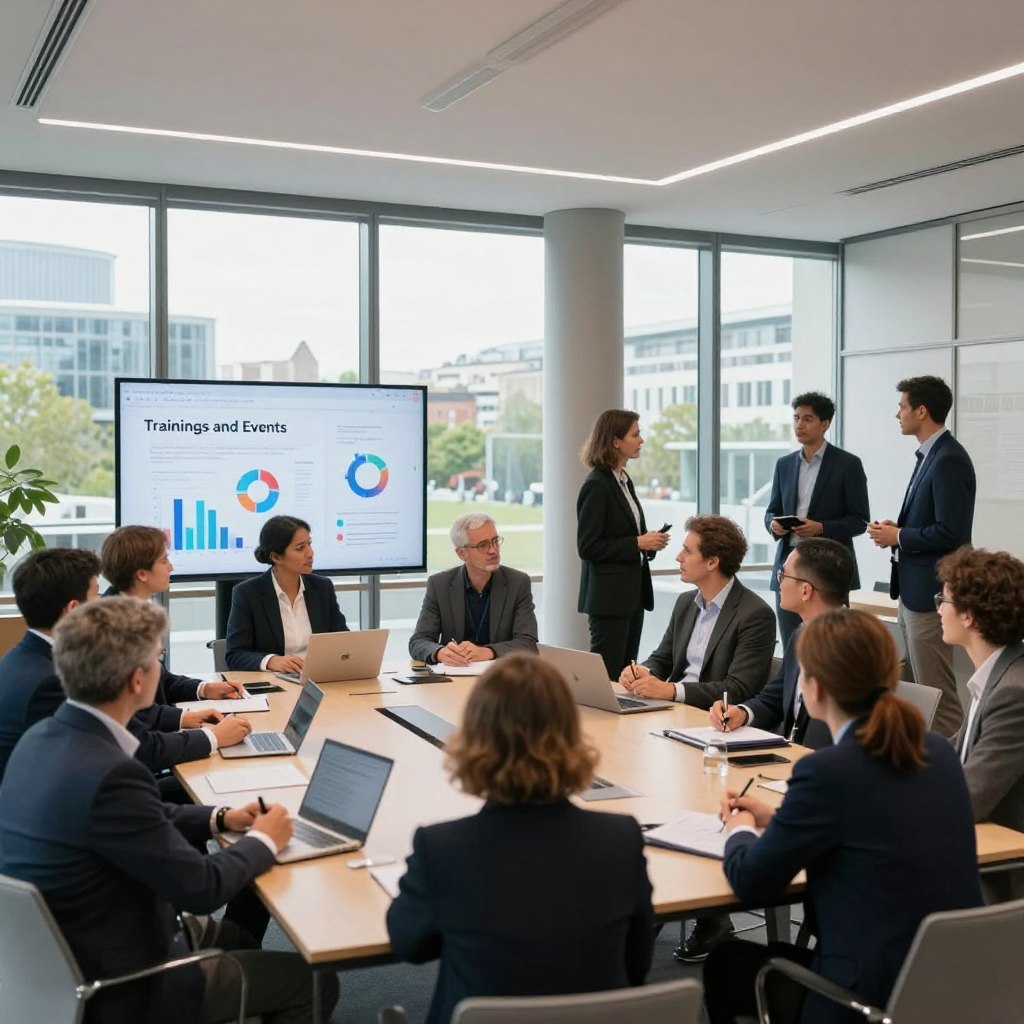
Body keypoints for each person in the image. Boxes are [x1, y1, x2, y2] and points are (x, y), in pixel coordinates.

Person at [0, 598, 337, 1024]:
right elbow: (202, 887)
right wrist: (265, 839)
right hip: (129, 981)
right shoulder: (112, 772)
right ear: (137, 680)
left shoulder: (45, 736)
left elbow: (131, 822)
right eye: (158, 657)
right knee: (315, 982)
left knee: (239, 934)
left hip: (71, 947)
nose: (161, 664)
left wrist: (220, 818)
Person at [704, 609, 982, 1024]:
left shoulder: (827, 771)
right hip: (950, 984)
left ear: (813, 688)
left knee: (726, 964)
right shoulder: (936, 750)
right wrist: (781, 816)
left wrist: (739, 829)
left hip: (866, 998)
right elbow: (871, 818)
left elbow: (752, 880)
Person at [387, 654, 654, 1024]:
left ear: (476, 739)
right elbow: (637, 966)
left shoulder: (443, 850)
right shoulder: (621, 840)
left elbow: (408, 944)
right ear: (570, 734)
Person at [0, 549, 250, 786]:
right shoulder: (52, 679)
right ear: (74, 610)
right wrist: (214, 738)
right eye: (96, 595)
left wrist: (185, 718)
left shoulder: (27, 658)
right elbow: (133, 746)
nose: (104, 603)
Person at [867, 375, 975, 736]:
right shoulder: (930, 455)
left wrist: (899, 536)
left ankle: (958, 777)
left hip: (931, 594)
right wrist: (897, 531)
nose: (897, 414)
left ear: (922, 411)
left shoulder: (948, 460)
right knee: (911, 686)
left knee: (937, 695)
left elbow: (951, 532)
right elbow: (931, 521)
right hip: (913, 592)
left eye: (902, 407)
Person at [937, 546, 1024, 900]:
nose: (938, 609)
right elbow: (951, 753)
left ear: (969, 616)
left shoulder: (1013, 692)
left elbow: (969, 798)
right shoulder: (998, 675)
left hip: (1002, 877)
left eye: (943, 600)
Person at [710, 537, 854, 750]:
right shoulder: (801, 635)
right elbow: (775, 698)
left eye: (783, 575)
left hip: (826, 764)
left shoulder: (852, 646)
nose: (779, 583)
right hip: (792, 759)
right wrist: (742, 713)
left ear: (806, 591)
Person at [619, 515, 775, 710]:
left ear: (712, 563)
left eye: (687, 551)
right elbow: (662, 658)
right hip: (674, 709)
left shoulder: (756, 614)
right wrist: (643, 671)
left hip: (713, 718)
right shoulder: (685, 603)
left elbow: (737, 689)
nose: (679, 557)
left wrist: (672, 691)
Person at [764, 392, 869, 647]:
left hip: (828, 568)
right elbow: (771, 510)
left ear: (825, 424)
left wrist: (822, 528)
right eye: (797, 418)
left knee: (829, 645)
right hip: (789, 566)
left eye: (807, 419)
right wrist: (773, 525)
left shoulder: (848, 464)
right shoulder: (785, 465)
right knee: (792, 644)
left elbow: (859, 521)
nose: (799, 425)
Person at [100, 524, 245, 703]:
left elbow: (161, 681)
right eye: (164, 561)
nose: (171, 567)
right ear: (142, 574)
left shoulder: (131, 610)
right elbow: (135, 711)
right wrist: (193, 726)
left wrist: (205, 689)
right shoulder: (111, 626)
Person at [577, 409, 670, 679]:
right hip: (609, 599)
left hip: (631, 595)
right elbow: (588, 547)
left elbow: (625, 535)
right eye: (636, 434)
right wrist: (637, 542)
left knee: (625, 675)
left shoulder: (623, 481)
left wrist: (647, 545)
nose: (641, 440)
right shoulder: (597, 485)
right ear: (616, 441)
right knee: (607, 677)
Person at [408, 512, 538, 665]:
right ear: (462, 553)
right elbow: (419, 641)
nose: (493, 550)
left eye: (495, 541)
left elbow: (528, 644)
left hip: (501, 678)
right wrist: (440, 653)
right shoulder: (440, 585)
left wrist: (488, 652)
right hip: (454, 678)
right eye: (483, 545)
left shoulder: (517, 583)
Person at [226, 515, 348, 672]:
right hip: (275, 684)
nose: (310, 553)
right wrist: (270, 661)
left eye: (309, 544)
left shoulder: (322, 588)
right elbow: (235, 655)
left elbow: (342, 641)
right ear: (276, 557)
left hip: (319, 679)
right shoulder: (247, 593)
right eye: (300, 548)